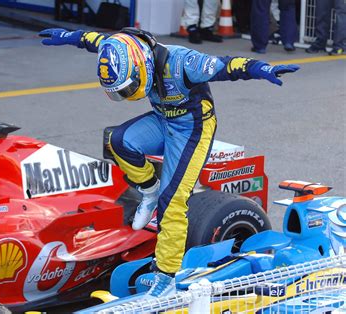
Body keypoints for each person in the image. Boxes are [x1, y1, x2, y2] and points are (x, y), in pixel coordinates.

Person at [38, 27, 299, 296]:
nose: (128, 94)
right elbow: (92, 40)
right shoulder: (123, 47)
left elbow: (227, 66)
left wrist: (261, 68)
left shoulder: (184, 62)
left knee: (172, 202)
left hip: (192, 128)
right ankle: (149, 191)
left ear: (144, 64)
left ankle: (167, 275)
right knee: (119, 141)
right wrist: (69, 36)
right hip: (163, 120)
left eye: (129, 87)